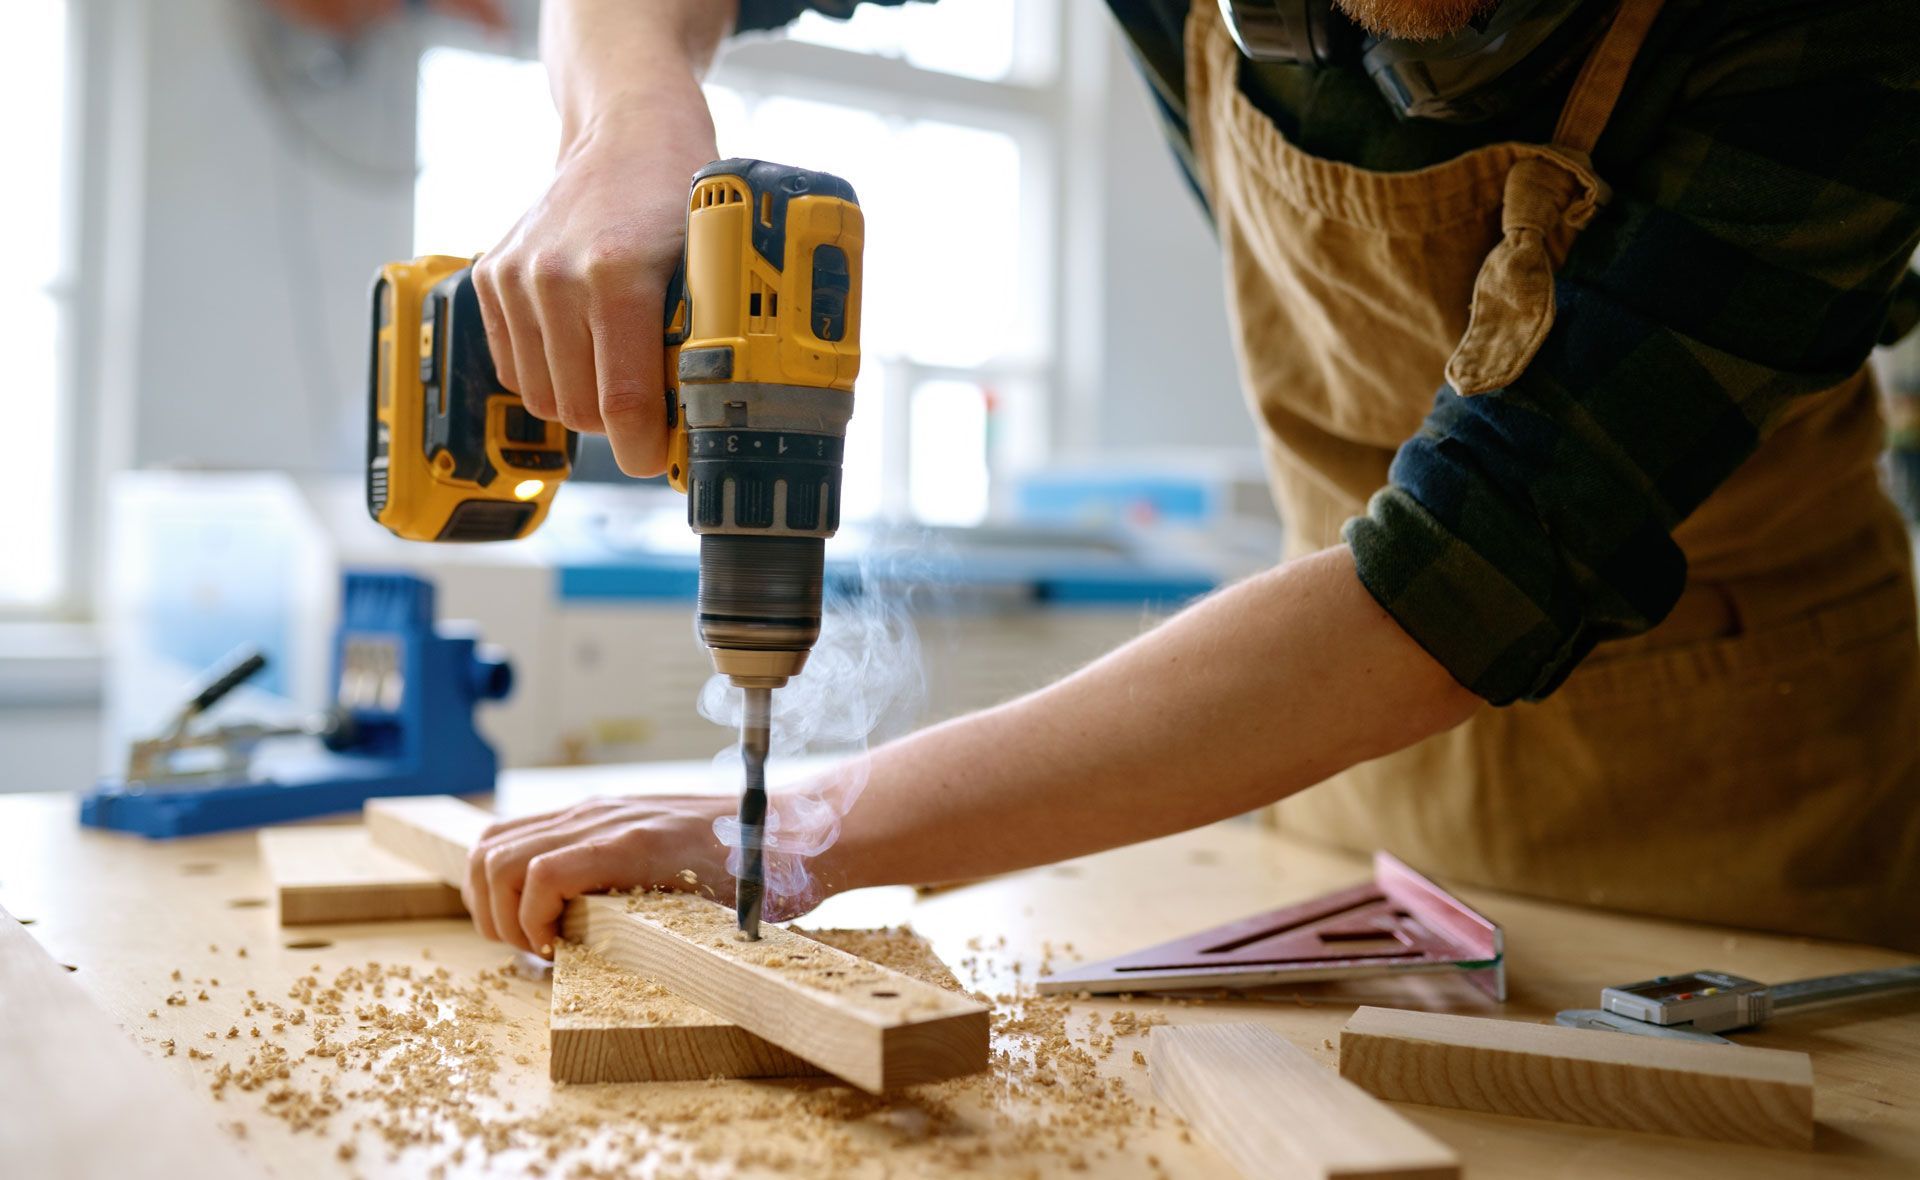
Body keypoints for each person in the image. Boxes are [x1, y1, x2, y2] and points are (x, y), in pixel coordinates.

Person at [462, 0, 1920, 958]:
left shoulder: (1834, 38)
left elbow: (1464, 580)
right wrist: (628, 121)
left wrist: (804, 836)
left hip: (1743, 808)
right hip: (1335, 791)